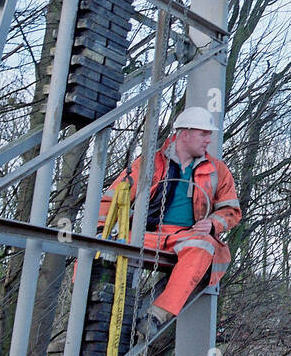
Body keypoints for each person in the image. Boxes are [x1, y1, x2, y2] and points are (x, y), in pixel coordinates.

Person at [99, 105, 241, 341]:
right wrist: (101, 229)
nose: (209, 140)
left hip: (185, 238)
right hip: (146, 235)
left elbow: (231, 210)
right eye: (203, 133)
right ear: (184, 134)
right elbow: (113, 197)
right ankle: (89, 318)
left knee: (204, 245)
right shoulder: (149, 163)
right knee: (101, 246)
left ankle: (157, 314)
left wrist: (212, 225)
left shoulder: (218, 170)